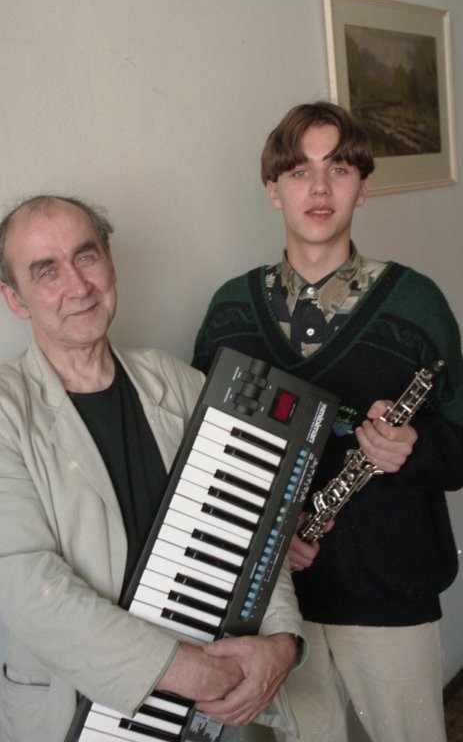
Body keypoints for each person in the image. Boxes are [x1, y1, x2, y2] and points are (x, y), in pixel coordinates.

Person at [192, 101, 463, 742]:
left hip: (390, 596)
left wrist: (416, 447)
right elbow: (203, 462)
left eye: (338, 169)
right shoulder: (230, 311)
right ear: (273, 189)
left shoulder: (417, 303)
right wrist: (265, 535)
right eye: (300, 172)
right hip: (277, 604)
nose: (319, 188)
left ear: (362, 188)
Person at [0, 194, 307, 742]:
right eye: (46, 271)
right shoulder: (5, 411)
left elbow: (253, 523)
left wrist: (282, 641)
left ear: (110, 263)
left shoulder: (177, 381)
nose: (78, 285)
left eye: (86, 256)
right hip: (74, 709)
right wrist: (190, 672)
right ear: (15, 299)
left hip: (213, 704)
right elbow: (23, 584)